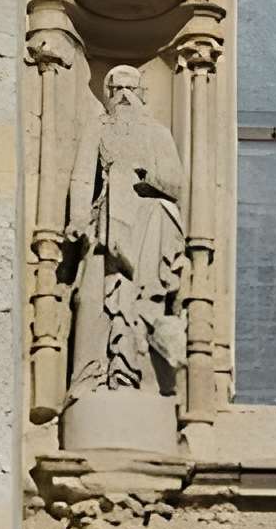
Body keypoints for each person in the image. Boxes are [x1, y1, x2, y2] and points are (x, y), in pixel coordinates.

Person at [66, 63, 187, 404]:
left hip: (149, 223)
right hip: (104, 226)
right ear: (107, 95)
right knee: (91, 300)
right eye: (116, 90)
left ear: (142, 95)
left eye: (130, 89)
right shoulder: (99, 128)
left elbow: (176, 183)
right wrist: (77, 218)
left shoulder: (158, 133)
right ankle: (90, 378)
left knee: (142, 302)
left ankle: (137, 377)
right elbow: (82, 178)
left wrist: (149, 176)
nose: (123, 97)